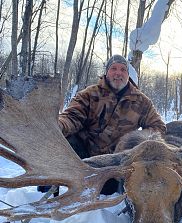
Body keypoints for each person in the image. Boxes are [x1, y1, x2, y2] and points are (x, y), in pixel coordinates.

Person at [38, 54, 166, 195]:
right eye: (114, 69)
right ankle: (50, 186)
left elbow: (158, 127)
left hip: (117, 162)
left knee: (111, 189)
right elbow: (72, 116)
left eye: (123, 69)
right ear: (107, 72)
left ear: (128, 75)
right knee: (65, 140)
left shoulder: (141, 101)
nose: (118, 73)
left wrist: (136, 140)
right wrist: (59, 126)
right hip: (85, 156)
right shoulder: (89, 94)